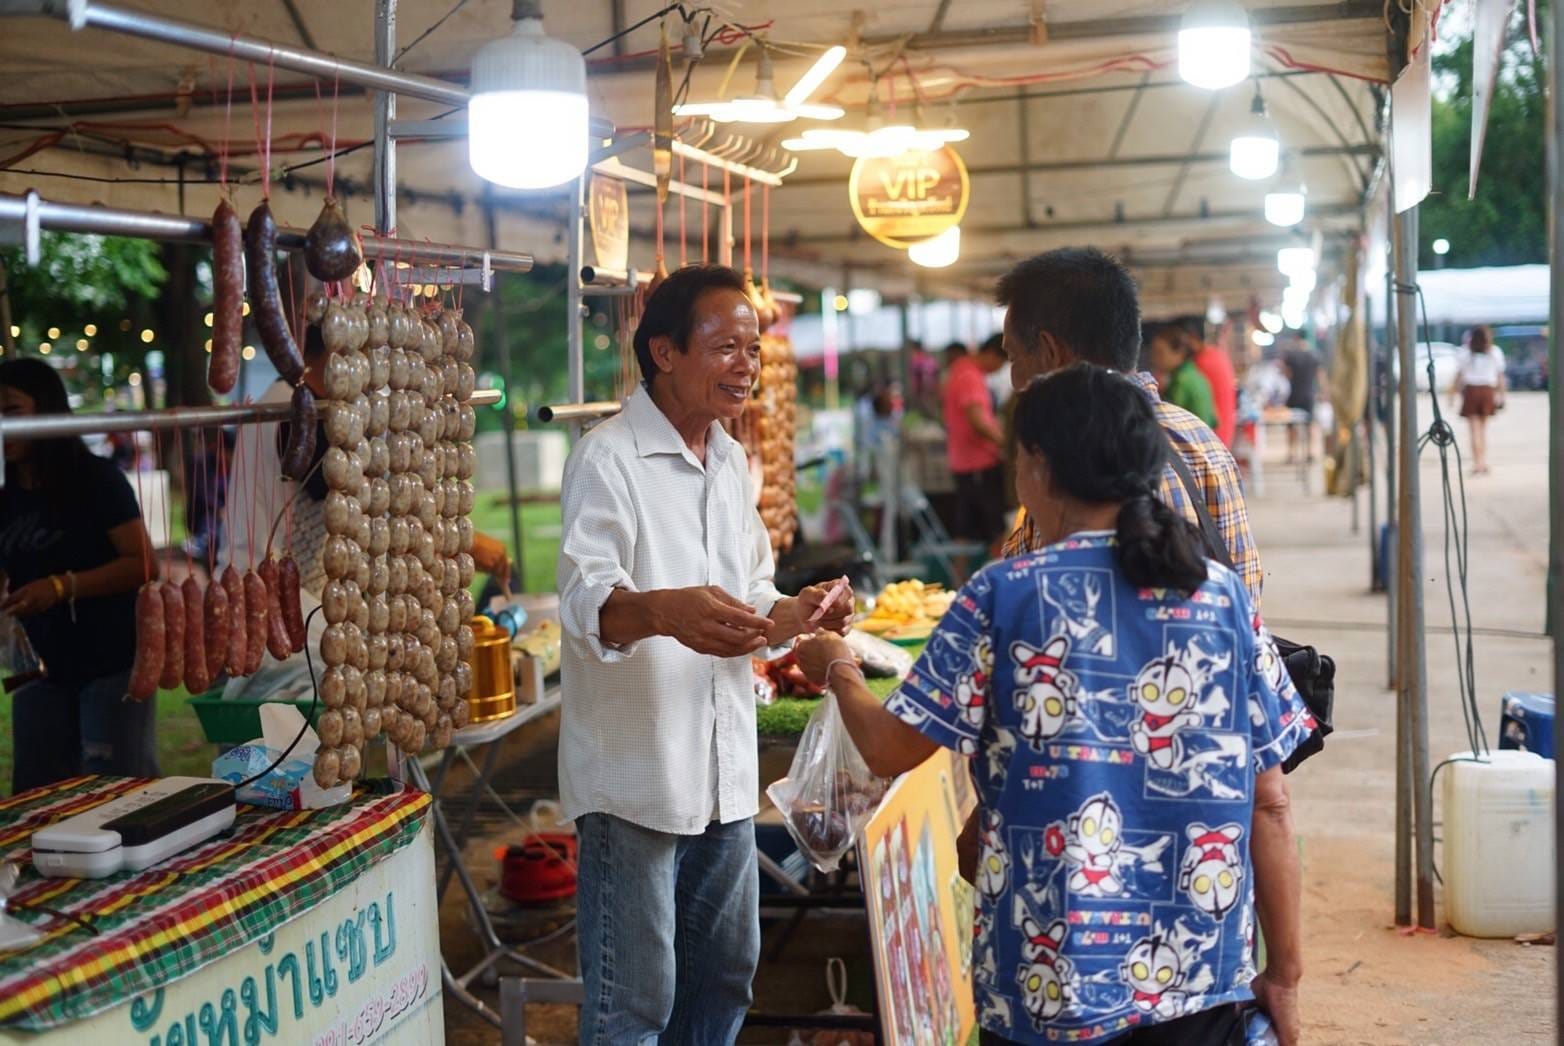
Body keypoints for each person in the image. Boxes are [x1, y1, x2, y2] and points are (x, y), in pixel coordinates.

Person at [796, 365, 1310, 1046]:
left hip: (1046, 987)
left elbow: (889, 749)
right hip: (1199, 982)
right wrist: (1285, 975)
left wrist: (837, 666)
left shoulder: (1003, 596)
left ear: (1038, 465)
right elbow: (1270, 802)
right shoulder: (1221, 597)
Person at [556, 264, 854, 1044]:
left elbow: (751, 593)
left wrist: (796, 612)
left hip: (724, 774)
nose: (746, 366)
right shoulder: (608, 458)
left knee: (725, 977)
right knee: (634, 1006)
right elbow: (587, 604)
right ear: (665, 352)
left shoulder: (728, 460)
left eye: (752, 349)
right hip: (637, 782)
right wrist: (664, 611)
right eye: (726, 347)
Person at [995, 248, 1263, 607]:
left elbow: (1038, 612)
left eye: (1014, 357)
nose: (1015, 381)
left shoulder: (1066, 459)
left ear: (1049, 352)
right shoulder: (1200, 436)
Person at [0, 358, 159, 793]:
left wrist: (61, 587)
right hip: (37, 671)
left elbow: (143, 563)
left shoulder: (97, 481)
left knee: (120, 794)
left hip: (109, 663)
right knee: (38, 795)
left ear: (47, 409)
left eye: (11, 410)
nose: (3, 424)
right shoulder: (7, 496)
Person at [943, 338, 1010, 561]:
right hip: (979, 463)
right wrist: (1007, 444)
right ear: (992, 354)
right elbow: (977, 420)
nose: (1000, 369)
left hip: (964, 463)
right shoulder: (970, 376)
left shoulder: (960, 369)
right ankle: (1002, 574)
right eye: (1002, 362)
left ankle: (959, 577)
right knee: (997, 529)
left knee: (965, 529)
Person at [1451, 325, 1506, 474]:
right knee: (1482, 430)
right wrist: (1502, 396)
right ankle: (1482, 462)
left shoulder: (1465, 353)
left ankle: (1477, 463)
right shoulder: (1494, 352)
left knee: (1474, 430)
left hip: (1471, 391)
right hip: (1487, 391)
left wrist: (1452, 394)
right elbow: (1500, 377)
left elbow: (1459, 375)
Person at [1146, 324, 1218, 431]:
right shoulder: (1195, 374)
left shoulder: (1181, 381)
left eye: (1160, 353)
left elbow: (1167, 417)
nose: (1154, 359)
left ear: (1179, 353)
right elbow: (1214, 419)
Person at [1188, 324, 1239, 448]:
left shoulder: (1201, 362)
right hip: (1225, 431)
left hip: (1213, 435)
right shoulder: (1218, 355)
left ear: (1192, 337)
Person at [1280, 335, 1319, 464]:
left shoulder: (1291, 356)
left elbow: (1286, 373)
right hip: (1309, 394)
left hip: (1294, 394)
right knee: (1310, 425)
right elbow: (1319, 375)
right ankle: (1310, 452)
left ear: (1296, 339)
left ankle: (1292, 454)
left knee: (1292, 426)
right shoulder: (1313, 356)